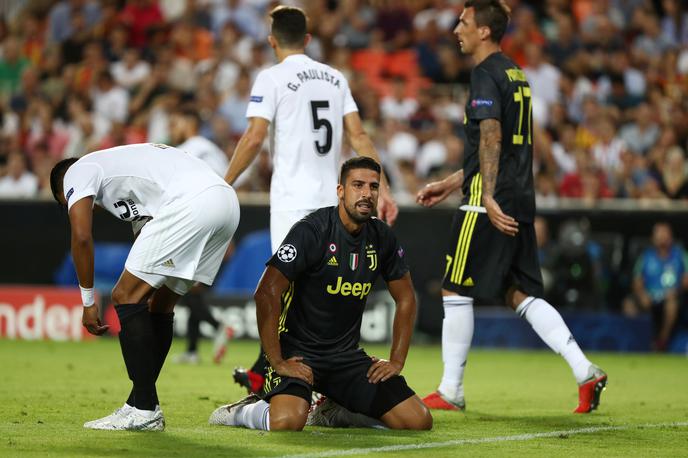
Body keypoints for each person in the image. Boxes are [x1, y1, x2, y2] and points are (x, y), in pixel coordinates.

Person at [416, 0, 607, 414]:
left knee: (454, 287)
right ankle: (584, 369)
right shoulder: (515, 73)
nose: (456, 30)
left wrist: (482, 192)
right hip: (519, 196)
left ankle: (451, 390)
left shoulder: (485, 74)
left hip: (492, 199)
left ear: (484, 30)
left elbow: (491, 136)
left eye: (464, 22)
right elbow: (499, 147)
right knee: (519, 292)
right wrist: (453, 183)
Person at [225, 5, 398, 394]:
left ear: (272, 41)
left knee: (282, 291)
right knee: (324, 290)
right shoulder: (335, 78)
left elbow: (254, 138)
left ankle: (276, 378)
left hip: (292, 202)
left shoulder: (271, 78)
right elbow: (359, 137)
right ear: (307, 38)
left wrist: (225, 183)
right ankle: (267, 372)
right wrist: (382, 189)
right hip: (332, 202)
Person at [209, 157, 431, 431]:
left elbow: (406, 297)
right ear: (340, 190)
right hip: (297, 354)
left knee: (417, 420)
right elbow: (266, 292)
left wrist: (396, 360)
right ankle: (240, 412)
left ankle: (334, 411)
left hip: (346, 358)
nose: (366, 194)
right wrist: (276, 359)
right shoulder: (312, 230)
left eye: (373, 187)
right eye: (357, 185)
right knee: (287, 422)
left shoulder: (382, 237)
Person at [49, 142, 240, 430]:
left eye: (68, 204)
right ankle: (138, 403)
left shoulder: (77, 171)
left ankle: (145, 409)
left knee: (124, 295)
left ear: (64, 191)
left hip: (193, 202)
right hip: (225, 203)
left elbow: (81, 237)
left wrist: (88, 302)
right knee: (158, 305)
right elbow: (145, 246)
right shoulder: (125, 179)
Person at [623, 222, 688, 351]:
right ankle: (639, 342)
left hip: (672, 297)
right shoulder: (646, 256)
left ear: (671, 237)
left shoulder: (680, 255)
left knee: (671, 305)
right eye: (659, 234)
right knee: (628, 305)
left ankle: (662, 341)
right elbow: (637, 281)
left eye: (665, 233)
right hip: (650, 297)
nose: (662, 237)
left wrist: (676, 291)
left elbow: (686, 280)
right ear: (653, 238)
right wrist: (642, 294)